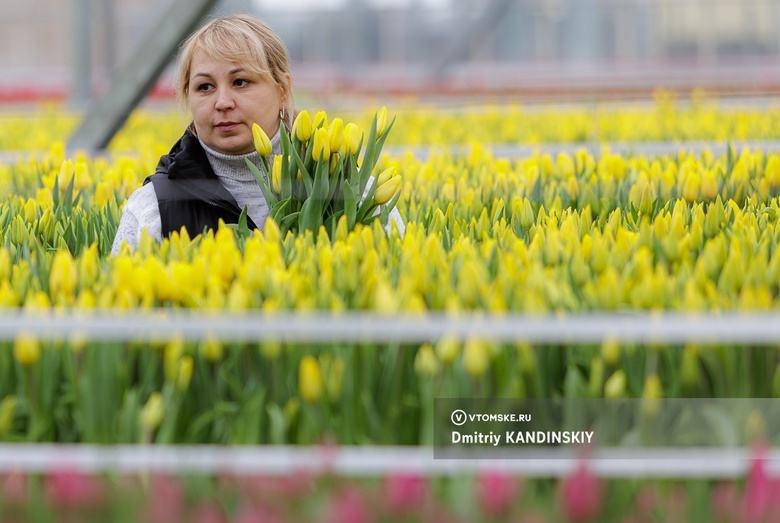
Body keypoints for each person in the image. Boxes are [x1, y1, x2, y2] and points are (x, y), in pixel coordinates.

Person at [111, 14, 403, 255]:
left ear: (283, 90)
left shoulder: (356, 195)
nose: (222, 101)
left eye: (241, 81)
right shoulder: (154, 209)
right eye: (205, 87)